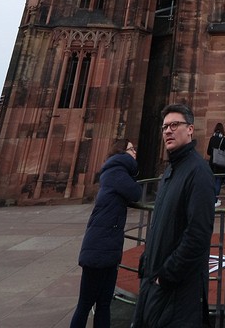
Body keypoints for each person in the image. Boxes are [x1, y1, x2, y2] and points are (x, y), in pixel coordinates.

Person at [132, 104, 215, 328]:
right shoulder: (169, 171)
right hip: (155, 281)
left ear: (190, 129)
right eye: (165, 127)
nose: (168, 131)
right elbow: (161, 223)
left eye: (174, 125)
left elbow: (198, 234)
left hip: (176, 288)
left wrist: (166, 276)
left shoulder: (198, 172)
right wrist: (148, 261)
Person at [69, 138, 141, 328]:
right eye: (131, 149)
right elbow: (135, 193)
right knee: (86, 303)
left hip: (107, 246)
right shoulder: (116, 172)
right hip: (99, 247)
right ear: (122, 152)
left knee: (103, 303)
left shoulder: (115, 171)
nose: (135, 152)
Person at [206, 122, 225, 207]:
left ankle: (213, 198)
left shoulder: (212, 138)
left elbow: (208, 152)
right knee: (218, 181)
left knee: (213, 182)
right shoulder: (223, 139)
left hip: (212, 163)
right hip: (220, 163)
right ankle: (215, 200)